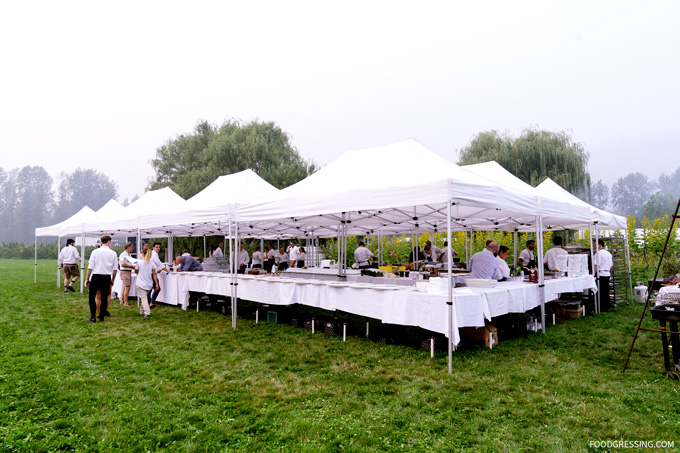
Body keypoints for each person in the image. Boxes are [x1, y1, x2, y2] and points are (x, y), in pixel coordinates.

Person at [85, 235, 118, 323]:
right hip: (106, 277)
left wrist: (87, 278)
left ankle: (93, 316)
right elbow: (115, 269)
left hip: (96, 276)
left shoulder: (95, 252)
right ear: (108, 242)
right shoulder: (113, 253)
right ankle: (101, 316)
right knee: (104, 298)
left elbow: (90, 267)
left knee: (92, 297)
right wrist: (113, 279)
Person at [135, 248, 158, 319]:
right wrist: (156, 284)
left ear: (143, 254)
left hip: (140, 283)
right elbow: (154, 274)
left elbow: (136, 271)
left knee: (144, 298)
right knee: (144, 298)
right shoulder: (152, 264)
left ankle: (147, 313)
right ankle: (142, 311)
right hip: (149, 284)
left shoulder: (139, 262)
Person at [593, 238, 613, 312]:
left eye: (595, 244)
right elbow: (611, 266)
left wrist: (593, 274)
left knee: (600, 291)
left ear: (600, 245)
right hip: (607, 274)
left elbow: (596, 265)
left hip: (600, 274)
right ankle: (607, 306)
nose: (594, 246)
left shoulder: (599, 253)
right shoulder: (608, 253)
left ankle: (601, 307)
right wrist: (609, 273)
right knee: (606, 291)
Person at [149, 242, 171, 308]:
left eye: (159, 247)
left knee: (150, 289)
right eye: (157, 247)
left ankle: (149, 302)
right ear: (153, 247)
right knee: (157, 288)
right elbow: (160, 264)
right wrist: (168, 271)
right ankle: (151, 303)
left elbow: (156, 264)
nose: (158, 248)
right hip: (152, 274)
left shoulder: (153, 254)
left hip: (151, 272)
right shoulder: (154, 255)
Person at [119, 242, 135, 306]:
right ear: (128, 247)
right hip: (124, 271)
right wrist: (132, 266)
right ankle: (126, 302)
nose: (132, 248)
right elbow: (122, 264)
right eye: (131, 247)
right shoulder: (123, 254)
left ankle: (122, 300)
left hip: (128, 271)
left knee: (125, 287)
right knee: (127, 287)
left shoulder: (129, 255)